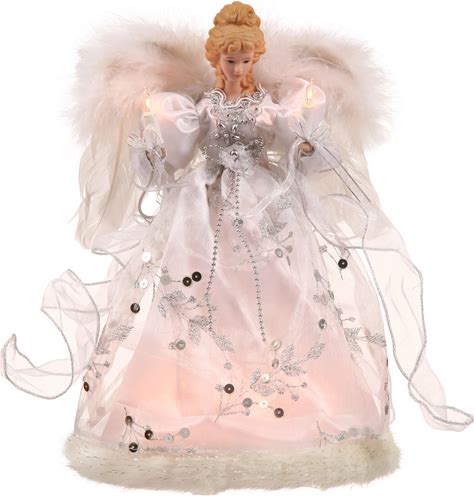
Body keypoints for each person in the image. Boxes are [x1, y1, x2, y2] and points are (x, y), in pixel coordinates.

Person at [1, 1, 472, 492]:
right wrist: (154, 143)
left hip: (265, 206)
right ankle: (189, 401)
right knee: (196, 298)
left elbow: (297, 150)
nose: (239, 67)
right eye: (231, 59)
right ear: (216, 59)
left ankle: (294, 410)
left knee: (282, 294)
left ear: (256, 58)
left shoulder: (269, 105)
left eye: (246, 59)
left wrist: (304, 143)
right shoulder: (199, 107)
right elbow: (173, 159)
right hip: (201, 207)